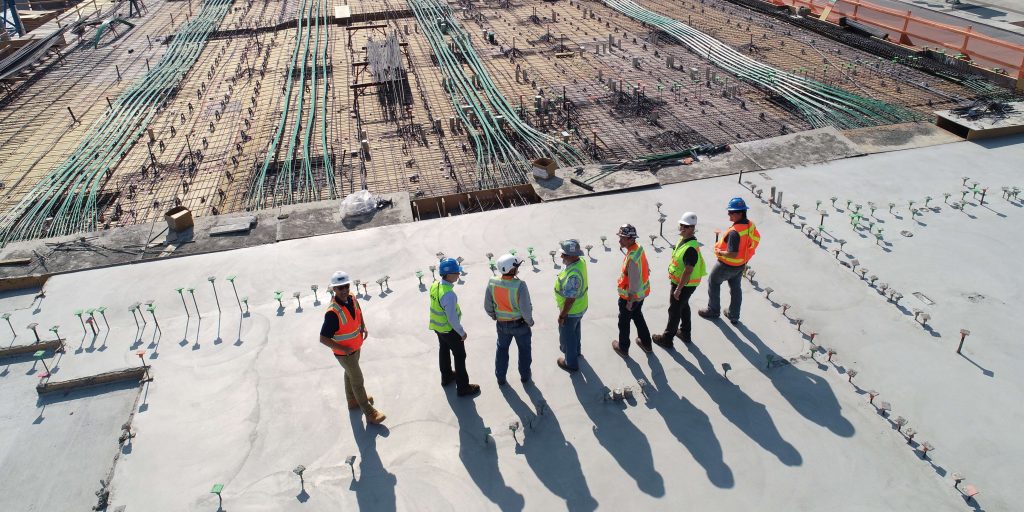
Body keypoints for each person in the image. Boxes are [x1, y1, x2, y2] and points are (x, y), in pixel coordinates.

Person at [319, 270, 386, 424]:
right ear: (334, 289)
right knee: (357, 379)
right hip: (345, 353)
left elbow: (358, 312)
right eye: (340, 288)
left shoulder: (352, 298)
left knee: (349, 373)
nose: (344, 290)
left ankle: (352, 400)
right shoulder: (332, 313)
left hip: (356, 347)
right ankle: (370, 413)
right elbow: (323, 338)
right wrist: (343, 349)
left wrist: (363, 325)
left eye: (346, 286)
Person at [699, 198, 761, 325]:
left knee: (713, 282)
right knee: (736, 288)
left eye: (731, 213)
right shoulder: (750, 225)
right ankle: (734, 315)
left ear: (740, 213)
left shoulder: (734, 233)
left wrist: (719, 252)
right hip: (741, 264)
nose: (729, 215)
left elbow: (733, 253)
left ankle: (713, 310)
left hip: (726, 265)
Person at [653, 212, 706, 348]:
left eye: (686, 226)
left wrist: (678, 289)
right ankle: (685, 332)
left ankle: (667, 339)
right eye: (681, 225)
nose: (682, 228)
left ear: (692, 228)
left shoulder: (690, 249)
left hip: (684, 285)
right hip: (682, 283)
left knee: (674, 310)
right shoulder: (683, 240)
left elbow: (688, 271)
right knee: (683, 306)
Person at [429, 257, 480, 397]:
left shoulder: (435, 285)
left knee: (444, 350)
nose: (459, 274)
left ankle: (446, 377)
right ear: (449, 274)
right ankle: (463, 387)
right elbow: (452, 318)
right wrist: (462, 332)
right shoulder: (449, 294)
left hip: (437, 327)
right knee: (460, 356)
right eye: (457, 272)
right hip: (449, 330)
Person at [484, 253, 535, 385]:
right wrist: (530, 321)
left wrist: (494, 315)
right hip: (520, 325)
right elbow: (525, 309)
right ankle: (525, 376)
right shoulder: (520, 285)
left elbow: (487, 305)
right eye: (516, 267)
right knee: (524, 350)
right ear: (512, 270)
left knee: (501, 349)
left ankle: (500, 377)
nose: (517, 268)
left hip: (501, 325)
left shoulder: (492, 282)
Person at [612, 224, 653, 357]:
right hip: (641, 295)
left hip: (630, 298)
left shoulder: (632, 258)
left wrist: (629, 301)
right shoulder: (638, 248)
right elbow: (646, 265)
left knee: (623, 322)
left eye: (622, 238)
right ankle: (646, 343)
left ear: (630, 239)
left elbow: (633, 284)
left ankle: (623, 348)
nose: (619, 240)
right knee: (637, 316)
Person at [554, 239, 588, 372]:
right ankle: (576, 352)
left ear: (574, 256)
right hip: (580, 307)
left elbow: (570, 299)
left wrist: (562, 315)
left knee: (568, 336)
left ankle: (571, 363)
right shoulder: (580, 262)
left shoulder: (573, 275)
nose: (562, 256)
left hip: (572, 311)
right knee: (575, 331)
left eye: (565, 254)